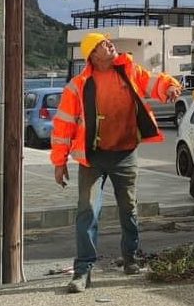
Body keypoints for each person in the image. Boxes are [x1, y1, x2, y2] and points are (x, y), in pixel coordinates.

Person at [51, 32, 181, 293]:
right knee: (87, 210)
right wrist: (59, 161)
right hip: (93, 158)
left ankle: (131, 259)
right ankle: (83, 271)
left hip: (126, 154)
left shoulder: (129, 71)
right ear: (92, 54)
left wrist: (170, 87)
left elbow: (155, 81)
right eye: (102, 43)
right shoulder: (78, 85)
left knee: (129, 209)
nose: (109, 44)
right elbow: (63, 125)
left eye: (108, 41)